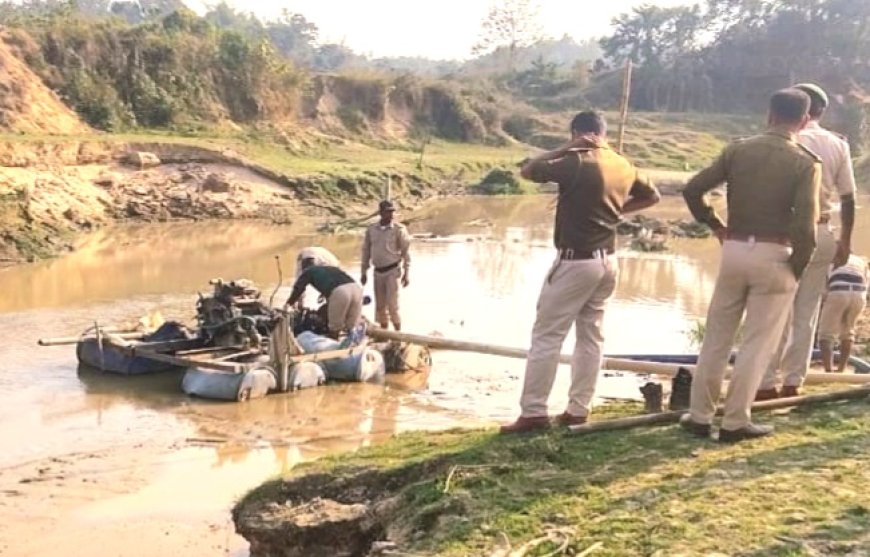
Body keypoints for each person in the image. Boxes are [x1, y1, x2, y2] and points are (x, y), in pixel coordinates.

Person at [500, 110, 661, 434]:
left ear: (577, 132)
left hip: (575, 262)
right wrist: (617, 213)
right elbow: (652, 195)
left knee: (547, 336)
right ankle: (578, 410)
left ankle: (533, 412)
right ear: (603, 132)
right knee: (591, 336)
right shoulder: (622, 163)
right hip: (607, 261)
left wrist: (563, 148)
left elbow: (528, 171)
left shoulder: (576, 162)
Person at [679, 88, 821, 443]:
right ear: (804, 121)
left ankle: (699, 415)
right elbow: (806, 227)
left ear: (769, 113)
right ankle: (735, 421)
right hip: (774, 254)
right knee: (757, 343)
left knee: (716, 336)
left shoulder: (738, 149)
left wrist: (715, 225)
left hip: (734, 248)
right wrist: (796, 267)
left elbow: (693, 189)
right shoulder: (805, 162)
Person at [756, 83, 858, 399]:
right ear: (821, 112)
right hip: (823, 231)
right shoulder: (836, 144)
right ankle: (793, 381)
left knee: (775, 307)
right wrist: (845, 241)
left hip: (783, 234)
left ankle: (766, 382)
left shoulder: (786, 139)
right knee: (807, 311)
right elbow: (849, 198)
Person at [360, 200, 411, 331]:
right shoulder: (372, 230)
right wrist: (363, 272)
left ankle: (398, 334)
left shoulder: (399, 230)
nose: (391, 215)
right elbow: (366, 251)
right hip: (378, 272)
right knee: (380, 307)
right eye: (388, 212)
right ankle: (384, 335)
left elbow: (406, 252)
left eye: (392, 212)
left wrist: (407, 273)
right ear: (381, 213)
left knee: (393, 306)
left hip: (392, 271)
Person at [284, 259, 363, 337]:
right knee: (352, 327)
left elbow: (298, 289)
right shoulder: (330, 268)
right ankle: (353, 345)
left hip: (340, 292)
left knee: (334, 328)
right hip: (356, 288)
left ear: (304, 268)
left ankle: (334, 346)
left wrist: (288, 304)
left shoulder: (308, 271)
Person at [817, 254, 868, 372]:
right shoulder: (860, 261)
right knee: (848, 332)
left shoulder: (829, 257)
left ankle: (828, 371)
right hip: (859, 293)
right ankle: (841, 369)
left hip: (838, 290)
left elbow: (823, 287)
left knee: (825, 334)